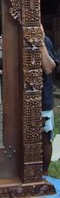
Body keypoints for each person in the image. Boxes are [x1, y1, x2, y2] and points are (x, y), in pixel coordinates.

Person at [41, 26, 59, 174]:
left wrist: (40, 40)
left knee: (45, 138)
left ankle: (44, 173)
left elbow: (48, 67)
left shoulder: (45, 41)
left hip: (42, 99)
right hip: (19, 100)